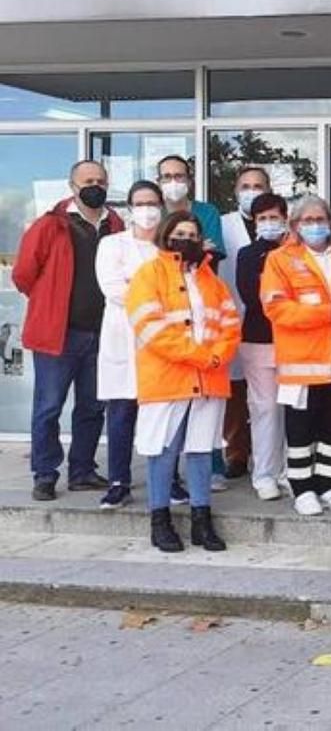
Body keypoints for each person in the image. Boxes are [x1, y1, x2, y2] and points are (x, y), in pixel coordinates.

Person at [127, 210, 239, 553]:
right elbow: (150, 328)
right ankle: (159, 521)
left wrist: (215, 357)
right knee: (163, 451)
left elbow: (230, 326)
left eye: (192, 236)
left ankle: (202, 520)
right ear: (166, 236)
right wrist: (200, 355)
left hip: (209, 379)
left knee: (201, 450)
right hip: (167, 379)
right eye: (180, 234)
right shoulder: (148, 274)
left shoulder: (212, 282)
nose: (186, 241)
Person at [13, 159, 123, 500]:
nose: (95, 186)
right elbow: (23, 274)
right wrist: (49, 302)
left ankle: (83, 470)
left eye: (100, 181)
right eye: (88, 181)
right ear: (72, 186)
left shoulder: (116, 225)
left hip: (103, 335)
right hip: (59, 334)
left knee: (92, 407)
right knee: (49, 407)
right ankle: (45, 474)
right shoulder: (50, 225)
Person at [261, 194, 331, 516]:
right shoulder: (279, 259)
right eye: (308, 220)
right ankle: (302, 489)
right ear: (295, 225)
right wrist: (325, 313)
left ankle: (329, 485)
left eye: (320, 219)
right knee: (301, 429)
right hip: (302, 363)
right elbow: (276, 308)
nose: (315, 225)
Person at [156, 154, 229, 490]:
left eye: (179, 175)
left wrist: (197, 253)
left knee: (206, 407)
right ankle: (168, 477)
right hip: (167, 325)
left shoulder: (207, 212)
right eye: (167, 176)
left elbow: (211, 255)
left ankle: (212, 469)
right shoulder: (152, 212)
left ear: (189, 179)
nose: (174, 182)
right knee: (168, 412)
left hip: (203, 314)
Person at [94, 180, 163, 509]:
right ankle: (119, 482)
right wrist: (155, 294)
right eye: (140, 204)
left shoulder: (168, 246)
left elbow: (178, 289)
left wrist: (137, 286)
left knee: (161, 414)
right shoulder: (112, 244)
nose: (147, 210)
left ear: (161, 207)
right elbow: (113, 289)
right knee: (121, 412)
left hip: (162, 340)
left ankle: (167, 481)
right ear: (130, 209)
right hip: (122, 337)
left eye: (152, 203)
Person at [217, 166, 273, 480]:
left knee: (268, 396)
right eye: (245, 186)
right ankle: (237, 451)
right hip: (231, 313)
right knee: (235, 389)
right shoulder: (224, 224)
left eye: (258, 186)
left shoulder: (277, 225)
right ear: (236, 191)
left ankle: (272, 457)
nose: (252, 191)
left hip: (268, 322)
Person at [234, 192, 289, 501]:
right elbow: (252, 297)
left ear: (285, 219)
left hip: (296, 340)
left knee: (293, 407)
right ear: (254, 223)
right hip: (258, 339)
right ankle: (264, 474)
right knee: (264, 407)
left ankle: (290, 471)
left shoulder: (297, 251)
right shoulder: (247, 255)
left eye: (274, 217)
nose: (269, 223)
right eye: (262, 218)